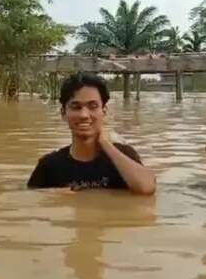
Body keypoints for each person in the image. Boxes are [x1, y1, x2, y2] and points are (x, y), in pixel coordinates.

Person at [27, 72, 156, 195]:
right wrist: (53, 194)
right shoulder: (50, 165)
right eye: (76, 107)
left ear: (104, 111)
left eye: (93, 106)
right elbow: (30, 201)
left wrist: (106, 144)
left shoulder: (123, 155)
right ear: (63, 113)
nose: (84, 115)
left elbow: (147, 188)